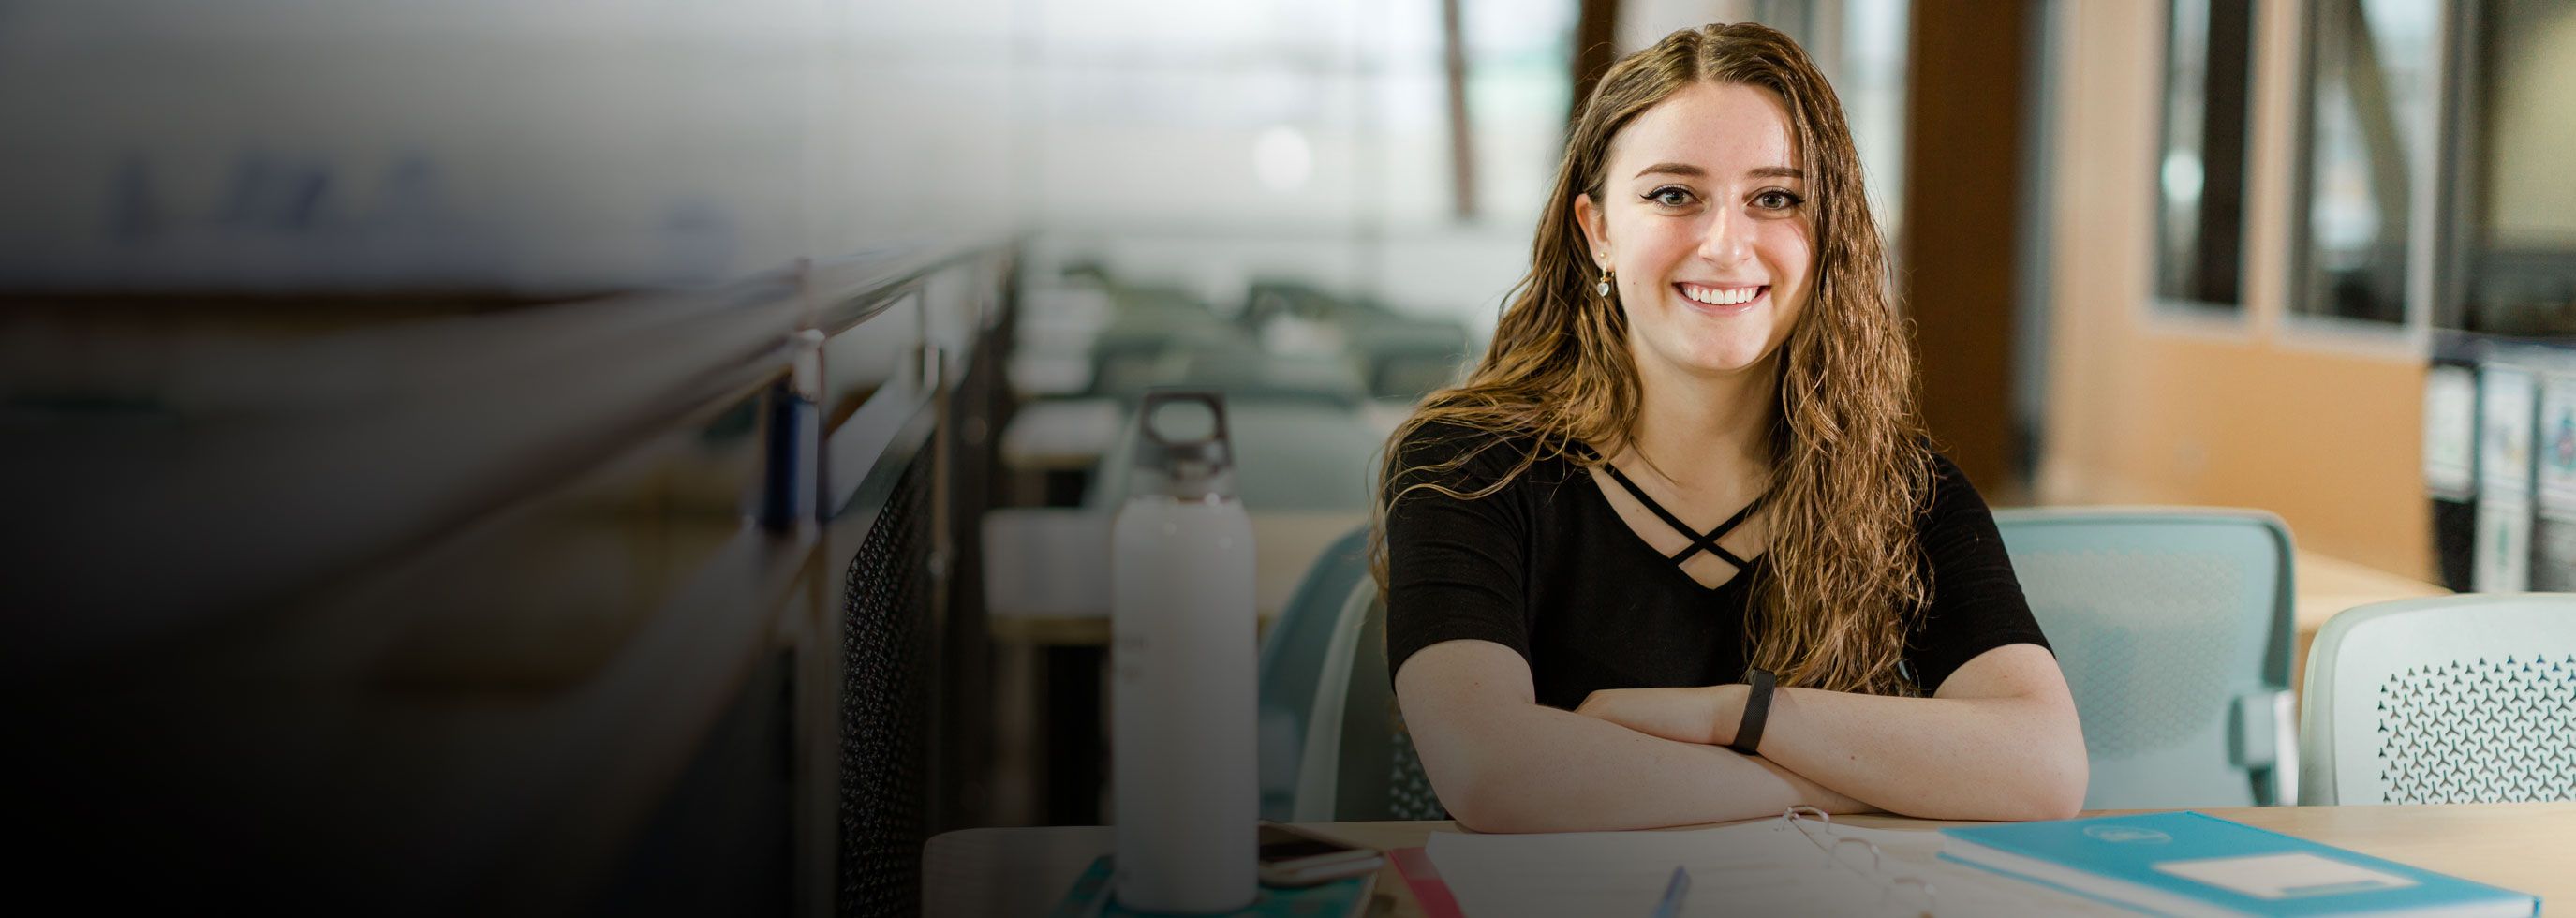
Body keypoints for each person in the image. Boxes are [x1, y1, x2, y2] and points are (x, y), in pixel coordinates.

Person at [1374, 22, 2085, 833]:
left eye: (1775, 199)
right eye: (1673, 195)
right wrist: (1834, 785)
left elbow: (2044, 768)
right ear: (1598, 230)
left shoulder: (1902, 487)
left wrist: (1735, 717)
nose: (1724, 243)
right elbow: (1492, 775)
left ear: (1827, 235)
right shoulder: (1469, 465)